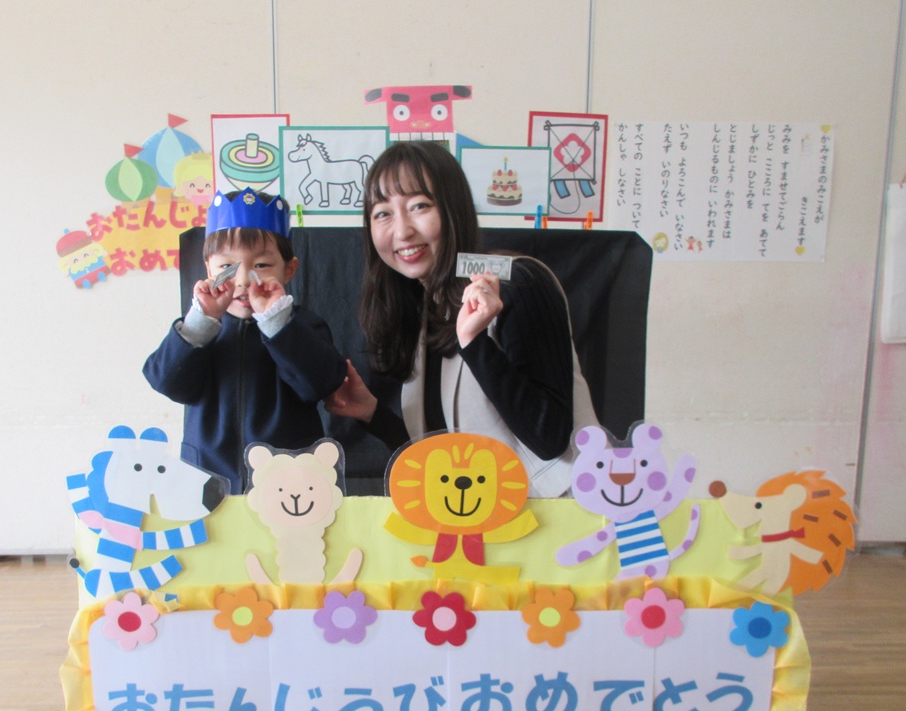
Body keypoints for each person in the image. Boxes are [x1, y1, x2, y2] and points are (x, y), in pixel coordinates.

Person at [325, 141, 596, 497]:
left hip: (562, 516)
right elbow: (440, 456)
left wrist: (475, 342)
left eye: (419, 206)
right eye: (383, 213)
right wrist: (371, 413)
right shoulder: (425, 308)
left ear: (453, 208)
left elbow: (551, 439)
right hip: (480, 516)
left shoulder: (517, 282)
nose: (402, 231)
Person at [143, 189, 347, 493]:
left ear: (289, 269)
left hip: (290, 485)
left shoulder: (302, 325)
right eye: (226, 266)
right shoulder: (200, 327)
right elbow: (166, 382)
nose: (242, 280)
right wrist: (200, 322)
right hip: (207, 478)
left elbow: (322, 383)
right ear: (208, 268)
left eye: (261, 265)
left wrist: (278, 324)